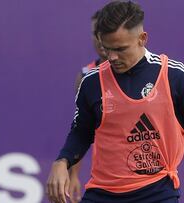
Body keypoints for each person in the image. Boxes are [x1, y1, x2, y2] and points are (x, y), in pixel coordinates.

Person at [47, 1, 184, 203]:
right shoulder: (91, 83)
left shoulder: (175, 77)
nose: (111, 57)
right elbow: (81, 132)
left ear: (142, 38)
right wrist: (62, 162)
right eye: (106, 49)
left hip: (157, 194)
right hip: (101, 194)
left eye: (120, 49)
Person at [69, 9, 107, 203]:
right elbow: (82, 129)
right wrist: (73, 174)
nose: (99, 38)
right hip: (106, 176)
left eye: (105, 30)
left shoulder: (147, 70)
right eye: (95, 33)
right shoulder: (86, 76)